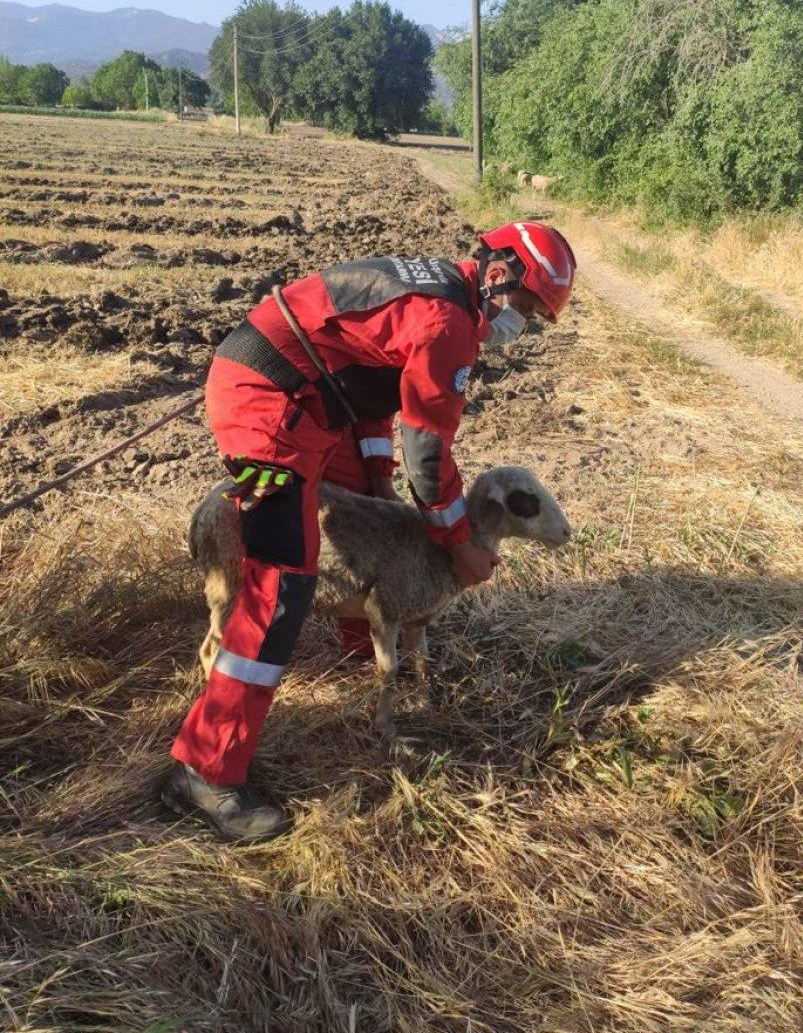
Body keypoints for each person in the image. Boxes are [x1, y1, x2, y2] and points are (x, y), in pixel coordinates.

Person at [161, 221, 577, 840]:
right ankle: (204, 770)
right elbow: (429, 450)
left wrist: (377, 488)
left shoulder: (442, 293)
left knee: (364, 507)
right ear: (498, 276)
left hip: (306, 394)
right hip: (269, 403)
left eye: (536, 318)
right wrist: (458, 543)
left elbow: (376, 398)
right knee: (281, 586)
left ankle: (365, 653)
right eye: (525, 308)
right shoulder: (449, 324)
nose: (522, 325)